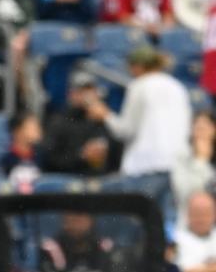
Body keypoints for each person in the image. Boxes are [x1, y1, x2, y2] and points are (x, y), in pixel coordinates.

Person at [87, 45, 190, 215]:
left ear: (138, 66)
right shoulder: (179, 87)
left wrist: (105, 115)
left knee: (139, 225)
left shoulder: (139, 86)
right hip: (178, 167)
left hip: (146, 167)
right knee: (166, 226)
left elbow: (125, 130)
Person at [41, 71, 122, 175]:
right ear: (71, 95)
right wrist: (81, 155)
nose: (86, 96)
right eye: (81, 91)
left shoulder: (105, 121)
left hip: (103, 182)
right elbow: (49, 159)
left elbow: (118, 155)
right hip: (70, 182)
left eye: (89, 91)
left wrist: (106, 118)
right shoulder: (59, 121)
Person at [39, 212, 113, 272]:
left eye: (79, 220)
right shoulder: (51, 249)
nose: (74, 225)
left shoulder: (105, 248)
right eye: (69, 220)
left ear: (91, 221)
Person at [173, 111, 216, 212]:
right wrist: (201, 161)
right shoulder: (181, 159)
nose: (201, 133)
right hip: (190, 219)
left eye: (205, 128)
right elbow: (185, 195)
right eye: (197, 128)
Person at [174, 190, 216, 272]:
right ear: (188, 214)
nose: (201, 218)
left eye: (205, 213)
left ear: (214, 214)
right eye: (197, 213)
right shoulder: (176, 241)